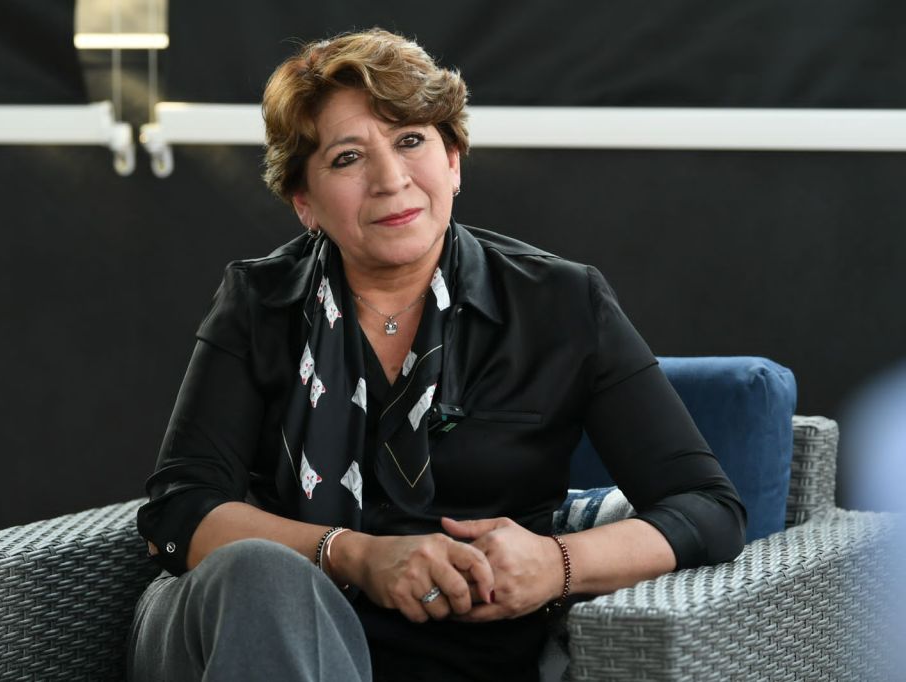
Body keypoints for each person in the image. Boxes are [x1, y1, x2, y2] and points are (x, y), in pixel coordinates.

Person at [127, 28, 746, 682]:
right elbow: (180, 511)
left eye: (410, 141)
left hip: (465, 655)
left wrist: (556, 564)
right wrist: (356, 555)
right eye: (347, 157)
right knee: (261, 573)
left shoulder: (561, 303)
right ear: (304, 202)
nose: (390, 180)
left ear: (453, 159)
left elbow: (707, 508)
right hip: (243, 629)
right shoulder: (259, 303)